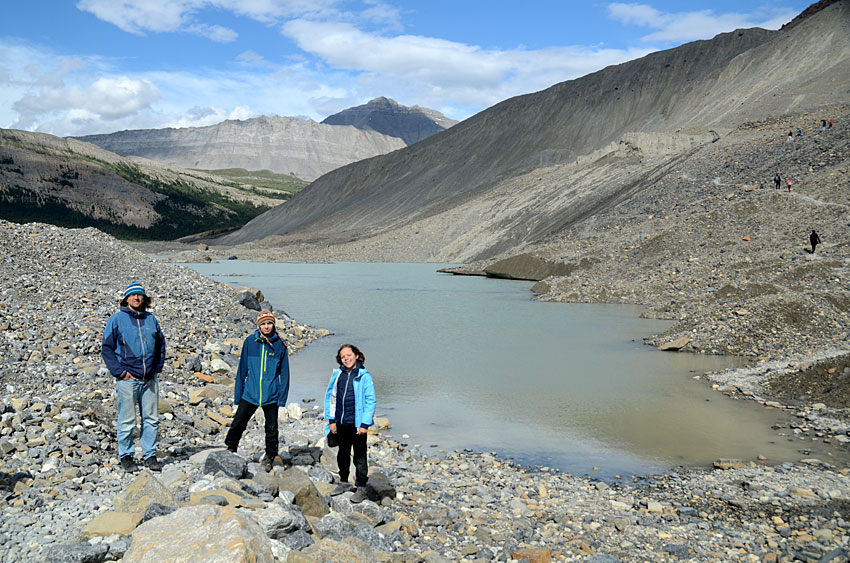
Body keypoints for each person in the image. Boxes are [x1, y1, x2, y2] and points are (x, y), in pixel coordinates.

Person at [101, 282, 166, 473]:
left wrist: (157, 367)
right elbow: (107, 349)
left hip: (149, 379)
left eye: (139, 295)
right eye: (132, 295)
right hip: (128, 379)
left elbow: (161, 345)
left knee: (151, 419)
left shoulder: (151, 319)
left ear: (144, 299)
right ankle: (126, 456)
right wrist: (120, 373)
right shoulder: (116, 320)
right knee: (127, 420)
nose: (136, 298)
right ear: (126, 298)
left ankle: (150, 455)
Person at [224, 310, 290, 472]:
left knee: (272, 428)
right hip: (250, 393)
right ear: (259, 326)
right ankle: (230, 448)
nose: (266, 327)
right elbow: (242, 370)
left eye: (269, 323)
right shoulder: (250, 342)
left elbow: (285, 374)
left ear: (273, 324)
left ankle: (270, 456)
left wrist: (282, 399)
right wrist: (238, 397)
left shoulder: (280, 345)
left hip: (271, 394)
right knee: (238, 423)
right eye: (263, 324)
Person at [324, 344, 376, 503]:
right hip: (341, 423)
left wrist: (365, 424)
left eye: (349, 355)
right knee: (342, 453)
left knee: (359, 456)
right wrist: (331, 421)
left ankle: (361, 487)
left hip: (357, 425)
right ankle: (344, 482)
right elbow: (332, 398)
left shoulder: (364, 376)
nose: (346, 358)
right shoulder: (338, 375)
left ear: (357, 355)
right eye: (343, 356)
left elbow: (370, 401)